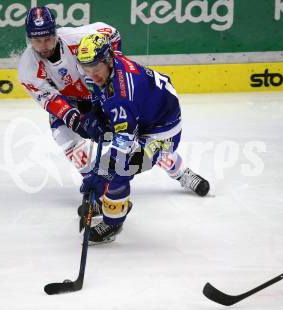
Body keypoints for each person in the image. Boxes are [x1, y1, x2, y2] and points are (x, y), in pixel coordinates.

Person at [76, 34, 210, 245]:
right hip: (147, 115)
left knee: (120, 170)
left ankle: (113, 223)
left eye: (96, 67)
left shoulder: (123, 94)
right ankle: (180, 172)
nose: (92, 74)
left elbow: (122, 151)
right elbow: (100, 93)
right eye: (86, 67)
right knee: (128, 160)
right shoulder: (109, 66)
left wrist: (99, 176)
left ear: (108, 59)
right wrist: (95, 113)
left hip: (164, 131)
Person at [18, 7, 121, 176]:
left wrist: (116, 70)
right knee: (62, 136)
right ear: (29, 39)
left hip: (102, 92)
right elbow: (49, 99)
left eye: (48, 38)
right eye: (37, 41)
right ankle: (93, 178)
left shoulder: (76, 38)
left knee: (136, 130)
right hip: (71, 101)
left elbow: (112, 33)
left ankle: (178, 170)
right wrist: (75, 121)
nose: (44, 46)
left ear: (55, 33)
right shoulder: (27, 68)